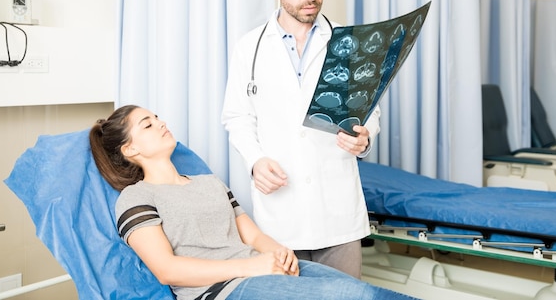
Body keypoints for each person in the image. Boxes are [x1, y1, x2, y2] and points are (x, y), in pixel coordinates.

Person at [89, 105, 414, 300]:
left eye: (157, 117)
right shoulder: (137, 197)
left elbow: (251, 236)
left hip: (264, 270)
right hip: (225, 290)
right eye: (148, 124)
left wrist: (278, 252)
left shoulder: (208, 182)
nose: (161, 123)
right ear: (130, 150)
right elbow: (166, 270)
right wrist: (253, 266)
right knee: (353, 297)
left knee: (364, 292)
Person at [221, 0, 381, 278]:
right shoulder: (249, 48)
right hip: (281, 215)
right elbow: (237, 116)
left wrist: (365, 137)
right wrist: (254, 161)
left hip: (338, 214)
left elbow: (369, 110)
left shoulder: (347, 41)